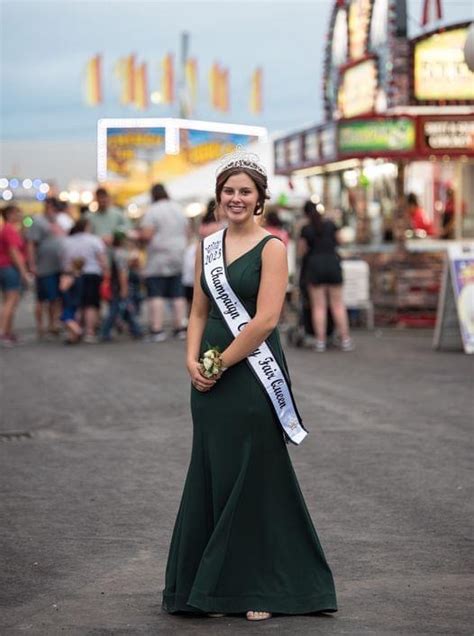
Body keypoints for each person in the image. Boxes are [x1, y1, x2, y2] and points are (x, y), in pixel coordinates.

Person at [162, 151, 337, 621]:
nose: (236, 198)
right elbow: (198, 312)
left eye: (245, 191)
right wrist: (191, 360)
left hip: (251, 373)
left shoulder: (273, 247)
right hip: (209, 374)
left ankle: (263, 586)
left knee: (255, 475)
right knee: (213, 471)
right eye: (229, 191)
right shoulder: (208, 247)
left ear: (259, 199)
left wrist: (220, 361)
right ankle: (207, 586)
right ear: (219, 196)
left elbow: (265, 321)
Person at [298, 201, 353, 352]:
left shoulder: (306, 228)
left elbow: (301, 251)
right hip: (332, 263)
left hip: (315, 266)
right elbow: (341, 240)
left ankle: (320, 341)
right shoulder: (330, 224)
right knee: (337, 304)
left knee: (319, 306)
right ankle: (345, 340)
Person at [139, 183, 188, 341]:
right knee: (177, 294)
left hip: (158, 257)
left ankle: (157, 329)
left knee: (156, 293)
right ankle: (180, 327)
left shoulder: (152, 211)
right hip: (179, 254)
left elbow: (147, 235)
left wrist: (136, 236)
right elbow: (187, 231)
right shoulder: (179, 208)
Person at [62, 218, 107, 343]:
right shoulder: (94, 240)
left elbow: (63, 259)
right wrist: (105, 272)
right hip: (92, 273)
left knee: (76, 304)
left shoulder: (67, 241)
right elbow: (101, 258)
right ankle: (89, 331)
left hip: (72, 275)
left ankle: (75, 330)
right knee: (90, 304)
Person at [26, 197, 64, 339]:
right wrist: (32, 264)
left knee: (55, 298)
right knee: (42, 299)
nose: (52, 210)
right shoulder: (38, 221)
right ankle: (40, 326)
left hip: (58, 266)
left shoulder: (58, 221)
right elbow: (31, 244)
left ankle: (53, 324)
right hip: (43, 267)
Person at [100, 231, 142, 342]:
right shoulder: (120, 253)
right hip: (119, 285)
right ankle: (106, 331)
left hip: (115, 284)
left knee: (123, 307)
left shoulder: (113, 252)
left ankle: (135, 329)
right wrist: (124, 288)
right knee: (119, 308)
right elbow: (122, 272)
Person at [0, 205, 30, 346]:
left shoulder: (7, 229)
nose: (21, 215)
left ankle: (7, 332)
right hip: (10, 268)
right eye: (18, 213)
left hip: (6, 268)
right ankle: (3, 332)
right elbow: (14, 252)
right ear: (10, 214)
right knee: (10, 302)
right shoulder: (9, 230)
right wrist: (23, 271)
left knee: (10, 301)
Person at [59, 257, 84, 344]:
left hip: (69, 301)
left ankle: (78, 331)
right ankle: (72, 338)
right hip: (77, 300)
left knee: (66, 318)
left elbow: (63, 288)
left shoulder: (71, 277)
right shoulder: (81, 276)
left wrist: (62, 280)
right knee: (73, 317)